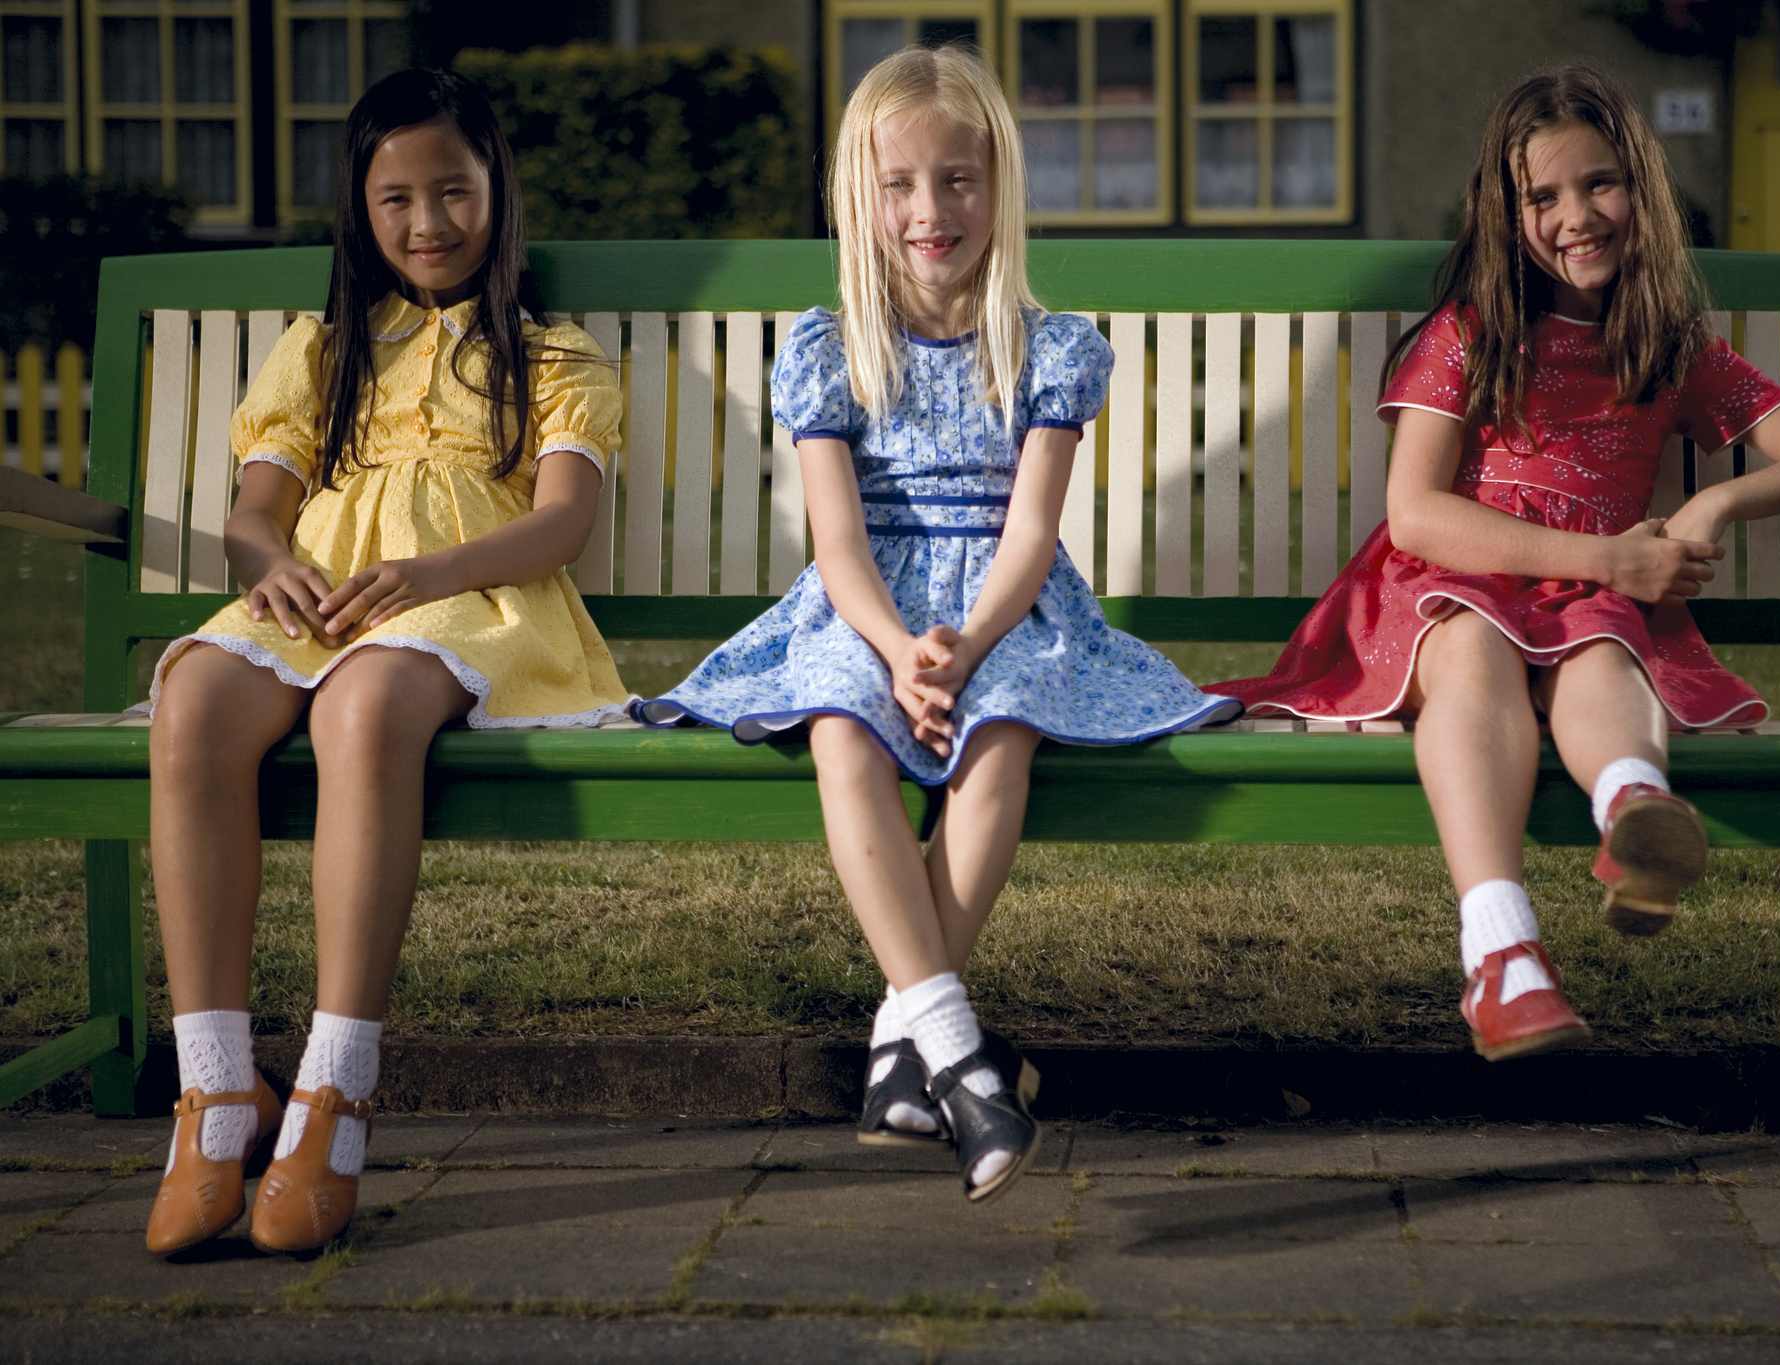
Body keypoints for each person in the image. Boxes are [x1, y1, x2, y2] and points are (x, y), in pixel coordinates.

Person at [634, 45, 1235, 1202]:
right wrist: (895, 645)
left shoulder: (1048, 348)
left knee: (1003, 729)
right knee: (838, 731)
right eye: (899, 184)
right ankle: (955, 1050)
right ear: (859, 197)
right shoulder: (829, 349)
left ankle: (904, 1060)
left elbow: (1028, 536)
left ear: (998, 186)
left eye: (956, 180)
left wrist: (966, 641)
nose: (929, 209)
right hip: (864, 611)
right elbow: (838, 546)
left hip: (1006, 607)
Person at [1203, 66, 1780, 1062]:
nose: (1576, 215)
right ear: (1503, 212)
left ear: (1638, 189)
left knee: (1604, 649)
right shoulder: (1470, 334)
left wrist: (1713, 498)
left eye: (1598, 184)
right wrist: (1608, 554)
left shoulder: (1666, 344)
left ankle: (1634, 814)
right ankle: (1501, 952)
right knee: (1477, 648)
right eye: (1543, 196)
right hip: (1454, 586)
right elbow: (1419, 514)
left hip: (1593, 598)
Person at [144, 69, 628, 1256]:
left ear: (496, 190)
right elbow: (258, 512)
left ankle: (334, 1086)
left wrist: (428, 575)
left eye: (453, 191)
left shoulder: (551, 353)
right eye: (396, 199)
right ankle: (214, 1087)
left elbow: (563, 523)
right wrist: (266, 566)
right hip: (319, 596)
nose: (427, 224)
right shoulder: (322, 351)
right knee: (195, 695)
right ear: (360, 212)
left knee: (360, 712)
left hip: (472, 609)